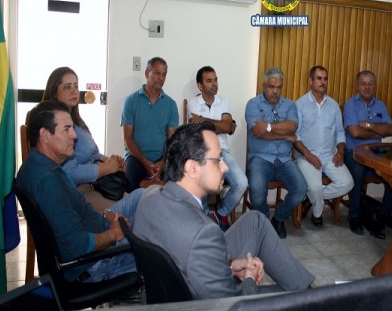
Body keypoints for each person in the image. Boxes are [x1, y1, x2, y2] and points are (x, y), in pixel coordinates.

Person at [133, 122, 315, 299]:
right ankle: (312, 298)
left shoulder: (149, 195)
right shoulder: (203, 233)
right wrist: (250, 277)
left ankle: (306, 290)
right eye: (217, 160)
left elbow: (187, 259)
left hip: (178, 283)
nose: (225, 167)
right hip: (200, 304)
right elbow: (230, 305)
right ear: (192, 168)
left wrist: (231, 264)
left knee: (255, 221)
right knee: (299, 297)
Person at [15, 100, 143, 283]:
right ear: (45, 135)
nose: (74, 135)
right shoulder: (48, 182)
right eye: (66, 129)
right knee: (162, 250)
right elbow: (79, 245)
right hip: (90, 264)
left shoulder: (40, 165)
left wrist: (106, 218)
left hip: (95, 235)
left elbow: (75, 211)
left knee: (141, 195)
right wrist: (114, 234)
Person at [41, 67, 125, 213]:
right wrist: (106, 168)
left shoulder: (76, 120)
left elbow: (92, 154)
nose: (74, 91)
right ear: (54, 93)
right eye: (67, 87)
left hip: (94, 185)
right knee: (137, 205)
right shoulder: (55, 127)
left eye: (76, 86)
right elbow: (69, 173)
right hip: (76, 193)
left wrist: (112, 162)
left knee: (141, 198)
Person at [245, 67, 308, 239]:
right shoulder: (253, 104)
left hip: (284, 159)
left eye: (279, 87)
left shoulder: (290, 105)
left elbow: (293, 127)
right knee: (257, 193)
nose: (275, 91)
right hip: (260, 157)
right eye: (271, 87)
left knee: (301, 189)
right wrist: (285, 134)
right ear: (264, 85)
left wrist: (268, 127)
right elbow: (258, 133)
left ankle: (279, 218)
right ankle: (264, 222)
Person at [187, 66, 248, 231]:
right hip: (202, 153)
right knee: (202, 182)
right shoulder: (193, 102)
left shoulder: (224, 101)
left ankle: (220, 214)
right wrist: (221, 125)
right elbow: (202, 129)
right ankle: (205, 221)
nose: (214, 84)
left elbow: (228, 126)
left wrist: (204, 121)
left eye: (215, 80)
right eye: (209, 81)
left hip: (223, 153)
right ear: (200, 86)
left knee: (242, 183)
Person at [294, 66, 354, 227]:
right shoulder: (300, 105)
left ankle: (313, 199)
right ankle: (317, 212)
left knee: (348, 183)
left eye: (325, 78)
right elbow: (295, 135)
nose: (323, 82)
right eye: (319, 78)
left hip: (330, 155)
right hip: (307, 157)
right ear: (311, 81)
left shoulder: (333, 105)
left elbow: (340, 133)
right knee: (314, 186)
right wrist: (308, 155)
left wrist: (341, 151)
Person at [343, 70, 392, 237]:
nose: (367, 87)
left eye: (370, 83)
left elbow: (390, 129)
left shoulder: (380, 105)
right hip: (354, 153)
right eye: (363, 83)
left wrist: (367, 125)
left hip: (376, 153)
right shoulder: (351, 104)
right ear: (357, 86)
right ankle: (354, 216)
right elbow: (354, 133)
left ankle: (385, 214)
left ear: (374, 85)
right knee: (358, 174)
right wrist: (378, 132)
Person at [121, 57, 179, 190]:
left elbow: (172, 141)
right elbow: (127, 139)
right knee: (129, 185)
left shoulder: (171, 104)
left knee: (175, 187)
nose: (161, 78)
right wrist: (144, 161)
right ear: (147, 74)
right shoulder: (131, 101)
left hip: (162, 158)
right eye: (157, 73)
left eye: (164, 74)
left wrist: (163, 162)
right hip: (136, 158)